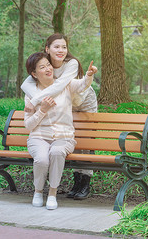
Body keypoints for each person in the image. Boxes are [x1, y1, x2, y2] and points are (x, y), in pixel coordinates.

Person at [21, 33, 97, 200]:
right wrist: (36, 103)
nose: (61, 50)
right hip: (62, 101)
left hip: (82, 98)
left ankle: (83, 181)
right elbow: (25, 84)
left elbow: (61, 86)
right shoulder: (43, 64)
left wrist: (34, 101)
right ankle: (73, 181)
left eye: (64, 47)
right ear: (47, 49)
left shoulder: (71, 64)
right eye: (56, 46)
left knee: (84, 140)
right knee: (63, 135)